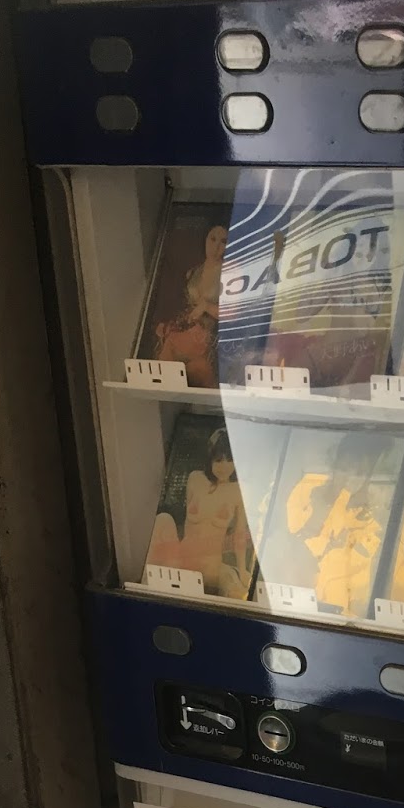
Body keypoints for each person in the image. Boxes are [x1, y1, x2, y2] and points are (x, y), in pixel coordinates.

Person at [273, 433, 396, 617]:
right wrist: (331, 499)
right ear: (334, 466)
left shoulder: (376, 517)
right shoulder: (310, 494)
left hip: (349, 614)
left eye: (359, 472)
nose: (350, 477)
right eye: (344, 468)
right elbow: (295, 542)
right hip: (299, 607)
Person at [147, 426, 252, 598]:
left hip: (209, 569)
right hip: (182, 560)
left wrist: (242, 570)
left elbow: (239, 534)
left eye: (229, 460)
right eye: (218, 460)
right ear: (210, 460)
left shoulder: (237, 491)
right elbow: (187, 523)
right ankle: (144, 584)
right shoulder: (195, 479)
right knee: (163, 519)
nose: (224, 466)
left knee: (237, 590)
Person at [153, 222, 227, 388]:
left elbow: (234, 313)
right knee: (168, 350)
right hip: (186, 330)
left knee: (197, 373)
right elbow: (183, 305)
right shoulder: (193, 272)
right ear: (205, 239)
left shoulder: (231, 274)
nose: (216, 246)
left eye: (223, 241)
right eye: (213, 239)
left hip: (209, 337)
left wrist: (206, 307)